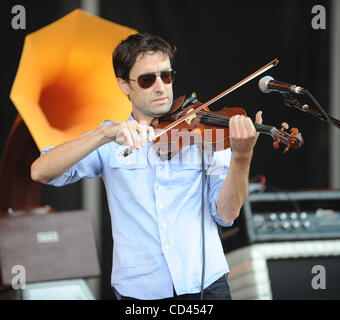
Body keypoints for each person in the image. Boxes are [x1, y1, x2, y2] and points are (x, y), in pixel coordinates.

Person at [30, 33, 262, 300]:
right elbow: (40, 171)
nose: (161, 86)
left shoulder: (201, 132)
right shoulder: (111, 139)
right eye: (147, 79)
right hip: (139, 291)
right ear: (124, 85)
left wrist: (242, 157)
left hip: (206, 285)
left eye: (167, 76)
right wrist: (104, 134)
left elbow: (226, 215)